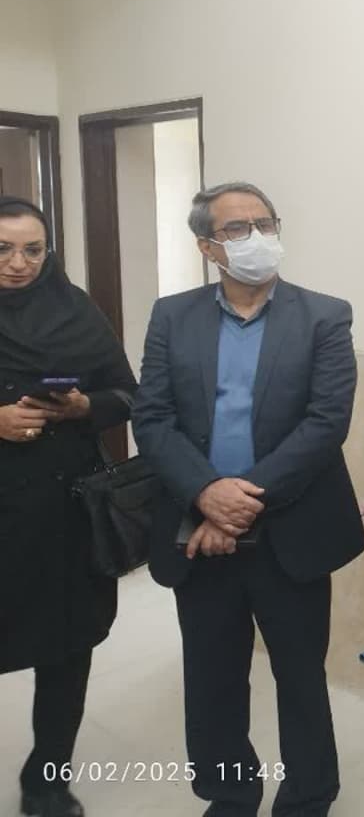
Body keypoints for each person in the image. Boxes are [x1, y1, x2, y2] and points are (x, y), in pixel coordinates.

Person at [133, 182, 364, 817]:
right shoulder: (172, 316)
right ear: (207, 246)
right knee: (212, 676)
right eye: (237, 229)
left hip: (290, 530)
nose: (257, 238)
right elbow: (152, 418)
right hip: (198, 530)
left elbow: (325, 424)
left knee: (300, 676)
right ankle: (230, 793)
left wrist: (238, 503)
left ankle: (308, 795)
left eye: (266, 223)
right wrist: (205, 493)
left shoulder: (325, 316)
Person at [0, 196, 136, 817]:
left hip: (64, 515)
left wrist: (84, 407)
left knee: (66, 649)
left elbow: (127, 393)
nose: (18, 263)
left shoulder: (75, 309)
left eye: (32, 249)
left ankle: (47, 779)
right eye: (3, 249)